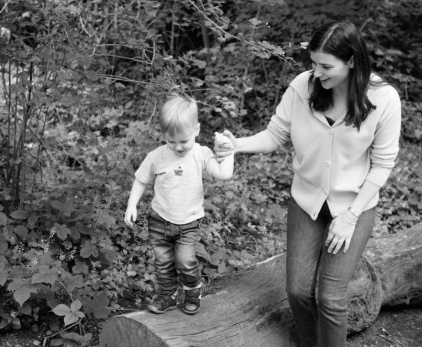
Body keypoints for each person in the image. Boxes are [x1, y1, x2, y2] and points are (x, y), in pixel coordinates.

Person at [214, 21, 401, 346]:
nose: (316, 72)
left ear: (352, 61)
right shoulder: (302, 87)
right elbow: (275, 135)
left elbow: (383, 165)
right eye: (313, 63)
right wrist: (237, 145)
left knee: (330, 297)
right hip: (306, 202)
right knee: (298, 291)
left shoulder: (384, 99)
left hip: (354, 206)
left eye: (326, 66)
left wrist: (351, 216)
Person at [125, 94, 234, 315]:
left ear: (196, 129)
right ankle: (168, 296)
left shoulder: (201, 155)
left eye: (184, 141)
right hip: (159, 220)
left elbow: (224, 174)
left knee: (184, 261)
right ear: (164, 136)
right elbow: (141, 180)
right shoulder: (157, 156)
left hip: (189, 222)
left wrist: (228, 151)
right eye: (171, 141)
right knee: (163, 262)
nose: (178, 147)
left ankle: (193, 292)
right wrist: (131, 205)